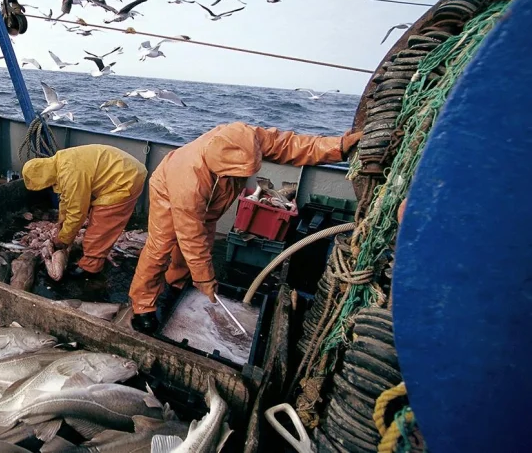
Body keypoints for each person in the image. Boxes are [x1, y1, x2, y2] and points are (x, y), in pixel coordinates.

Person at [128, 122, 362, 334]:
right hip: (169, 192)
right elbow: (190, 235)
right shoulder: (188, 181)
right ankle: (142, 305)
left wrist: (338, 147)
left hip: (211, 201)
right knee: (161, 247)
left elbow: (289, 145)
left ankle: (176, 284)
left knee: (202, 243)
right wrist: (205, 278)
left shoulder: (249, 138)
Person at [22, 144, 148, 278]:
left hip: (125, 179)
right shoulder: (60, 161)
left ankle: (90, 268)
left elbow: (77, 213)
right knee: (94, 221)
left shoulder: (71, 175)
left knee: (101, 226)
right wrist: (61, 223)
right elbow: (67, 199)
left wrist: (63, 239)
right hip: (122, 170)